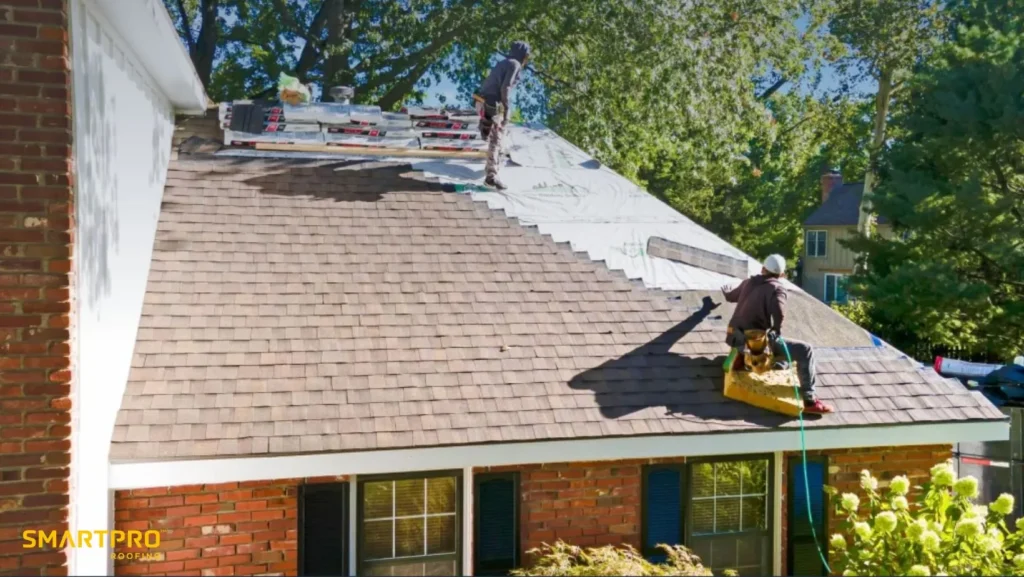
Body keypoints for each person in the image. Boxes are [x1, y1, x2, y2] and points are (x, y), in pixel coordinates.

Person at [721, 254, 834, 414]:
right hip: (755, 344)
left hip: (734, 339)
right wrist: (776, 330)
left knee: (785, 363)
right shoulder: (777, 288)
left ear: (763, 269)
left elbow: (731, 296)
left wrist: (725, 291)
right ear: (781, 275)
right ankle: (809, 400)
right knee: (805, 350)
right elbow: (780, 312)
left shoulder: (748, 283)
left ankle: (745, 359)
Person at [474, 41, 531, 190]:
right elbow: (505, 87)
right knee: (497, 137)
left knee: (490, 126)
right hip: (492, 103)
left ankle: (484, 127)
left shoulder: (503, 63)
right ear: (524, 55)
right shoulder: (515, 64)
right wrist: (506, 108)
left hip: (481, 101)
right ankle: (491, 177)